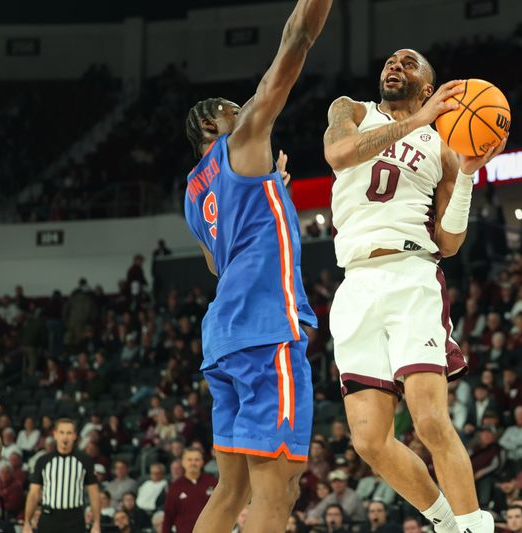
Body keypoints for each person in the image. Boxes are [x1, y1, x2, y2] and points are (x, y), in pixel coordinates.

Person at [323, 48, 506, 533]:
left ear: (429, 87)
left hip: (411, 275)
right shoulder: (351, 110)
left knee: (428, 419)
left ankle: (475, 526)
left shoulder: (442, 146)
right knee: (368, 440)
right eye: (390, 60)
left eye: (409, 62)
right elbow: (339, 154)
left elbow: (448, 242)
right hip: (355, 283)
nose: (394, 64)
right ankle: (447, 524)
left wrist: (466, 176)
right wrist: (418, 120)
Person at [181, 1, 332, 531]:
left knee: (231, 489)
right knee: (278, 490)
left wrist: (272, 197)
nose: (243, 108)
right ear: (211, 122)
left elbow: (220, 263)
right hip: (265, 330)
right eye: (231, 106)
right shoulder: (241, 140)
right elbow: (294, 42)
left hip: (223, 337)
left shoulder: (193, 193)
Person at [22, 418, 101, 533]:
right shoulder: (43, 461)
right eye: (62, 432)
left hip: (74, 518)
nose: (65, 437)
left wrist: (96, 523)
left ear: (74, 436)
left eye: (69, 433)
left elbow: (94, 493)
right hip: (49, 517)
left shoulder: (84, 461)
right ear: (55, 434)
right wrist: (27, 522)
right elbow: (33, 494)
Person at [162, 448, 218, 533]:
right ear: (183, 462)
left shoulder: (213, 483)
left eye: (197, 460)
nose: (193, 463)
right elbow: (168, 519)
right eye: (189, 460)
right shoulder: (175, 487)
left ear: (202, 462)